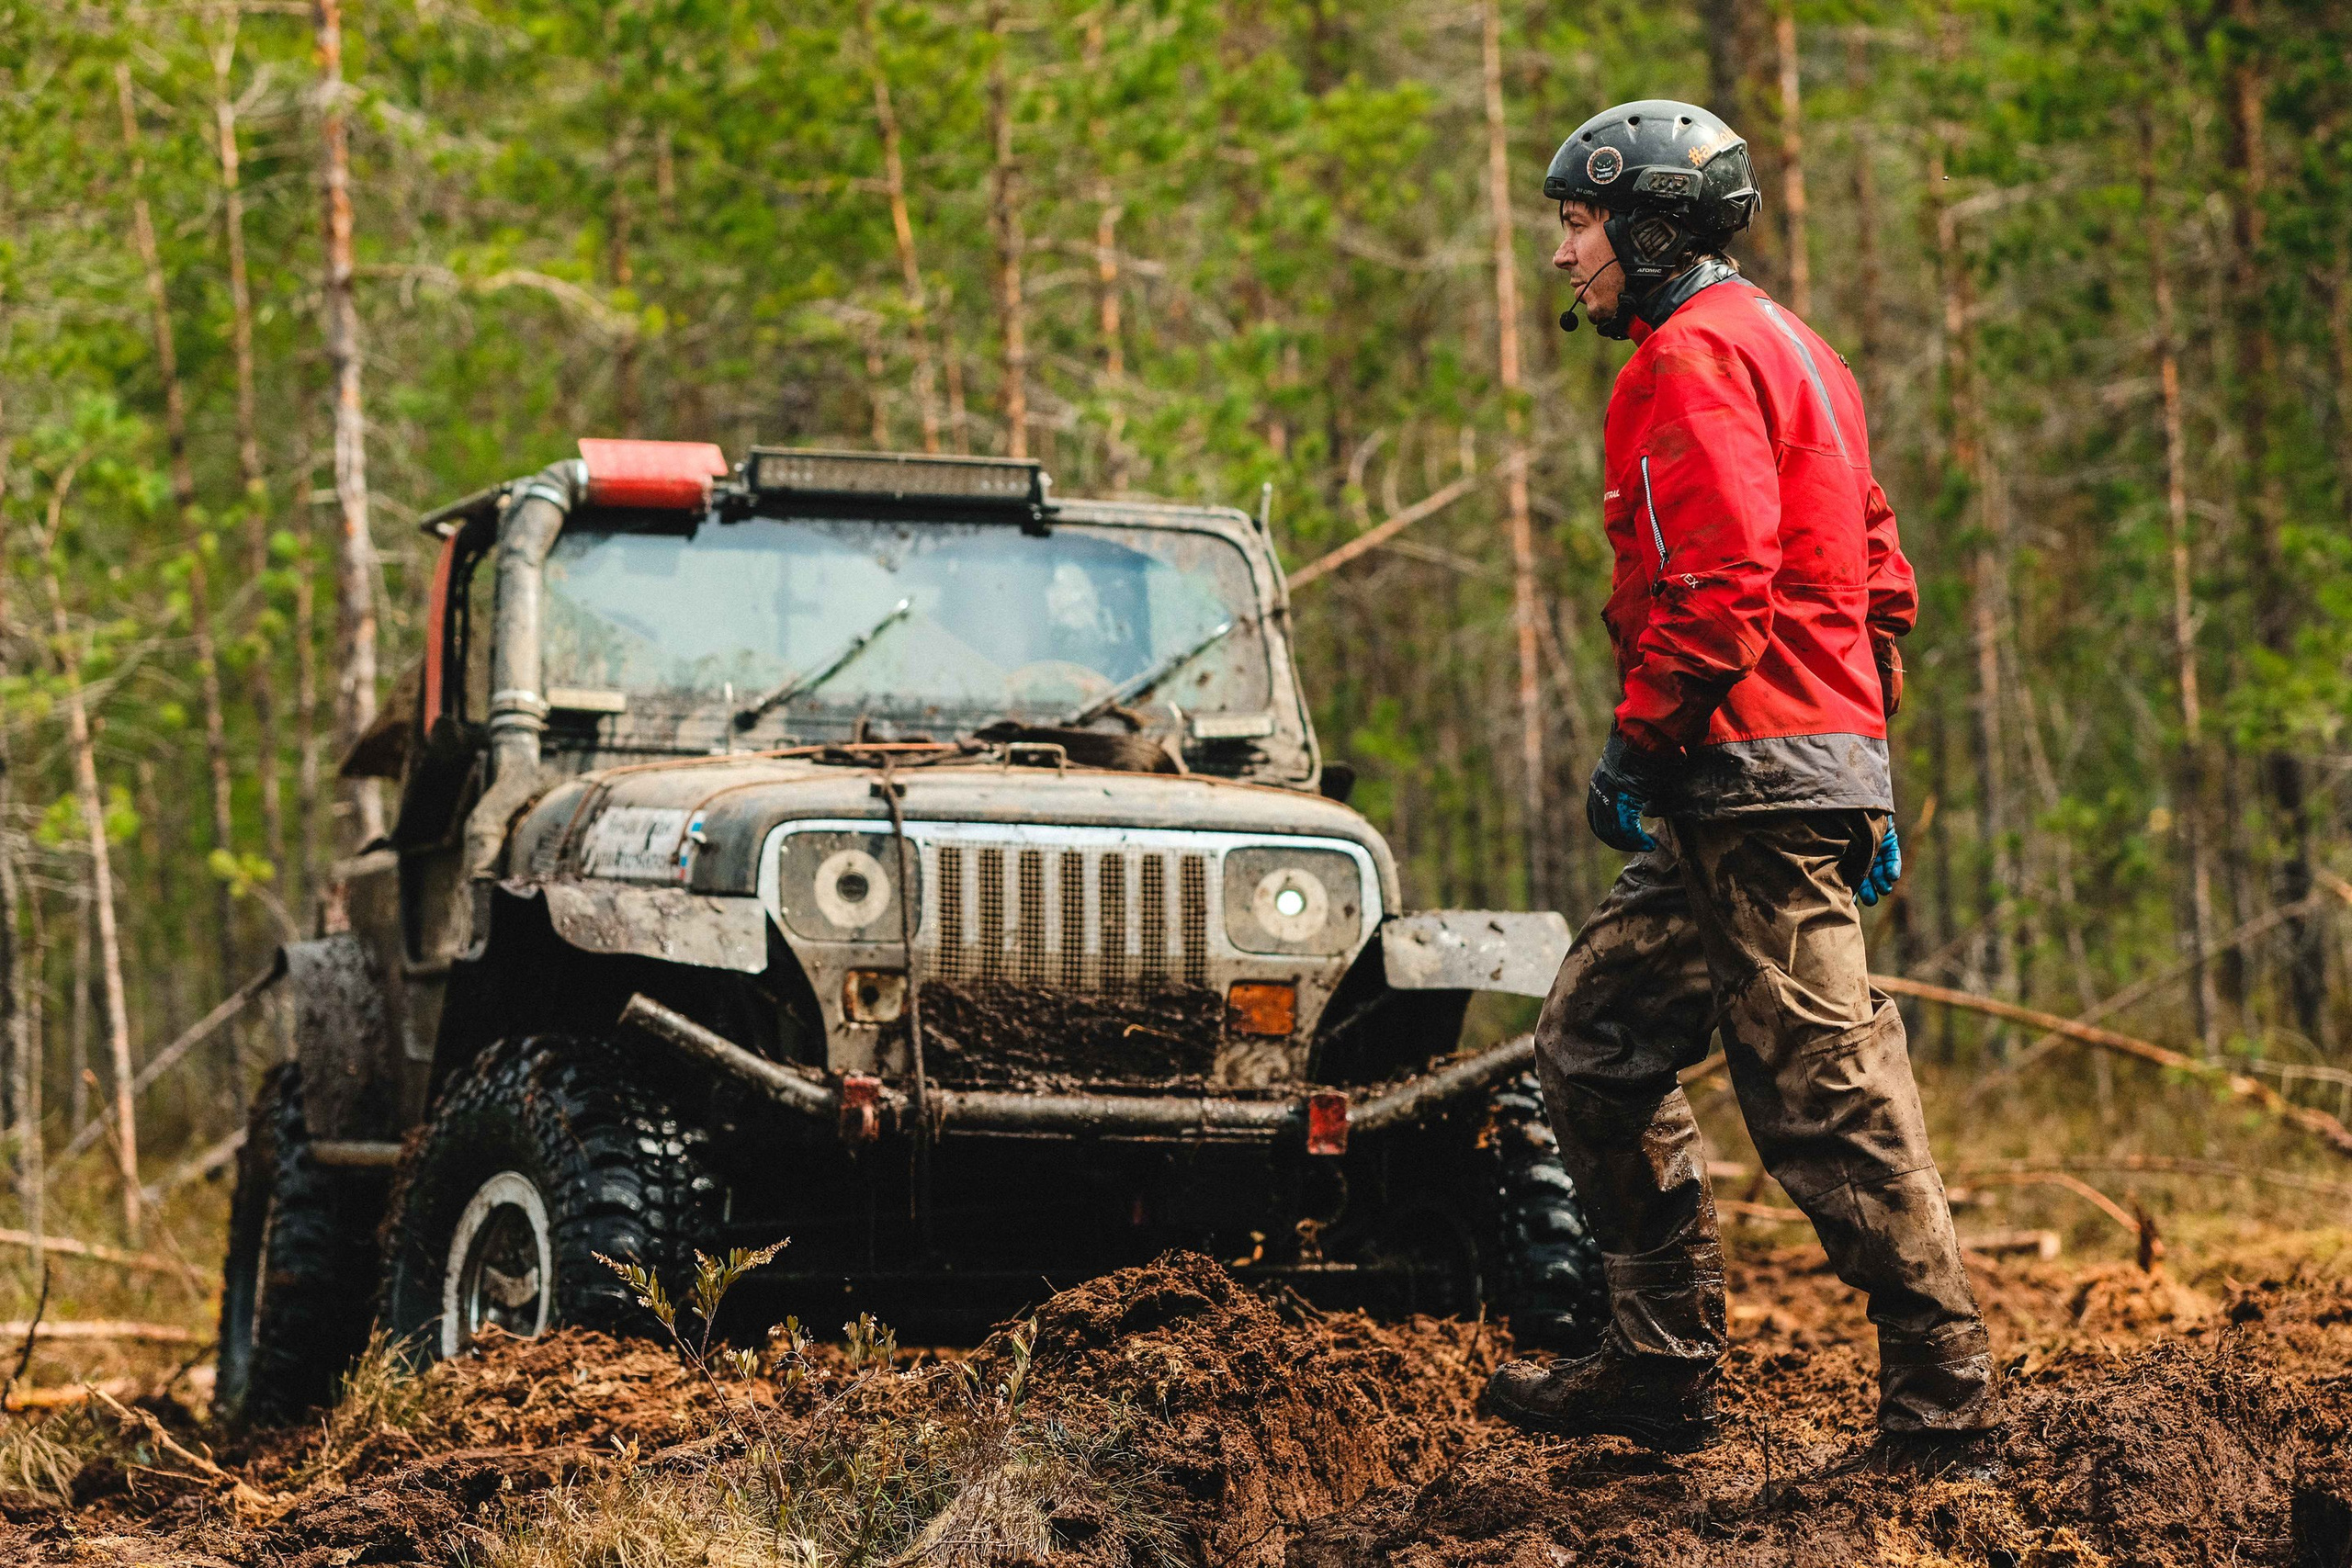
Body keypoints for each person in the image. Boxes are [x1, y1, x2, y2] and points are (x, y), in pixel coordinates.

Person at [1477, 99, 1993, 1456]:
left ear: (1649, 231)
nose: (1563, 256)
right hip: (1772, 765)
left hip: (1747, 770)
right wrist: (1862, 758)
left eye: (1578, 225)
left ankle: (1944, 1405)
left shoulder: (1689, 364)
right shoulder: (1801, 353)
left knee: (1824, 1086)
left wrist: (1635, 744)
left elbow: (1715, 588)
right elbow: (1882, 578)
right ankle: (1657, 1370)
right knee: (1590, 1048)